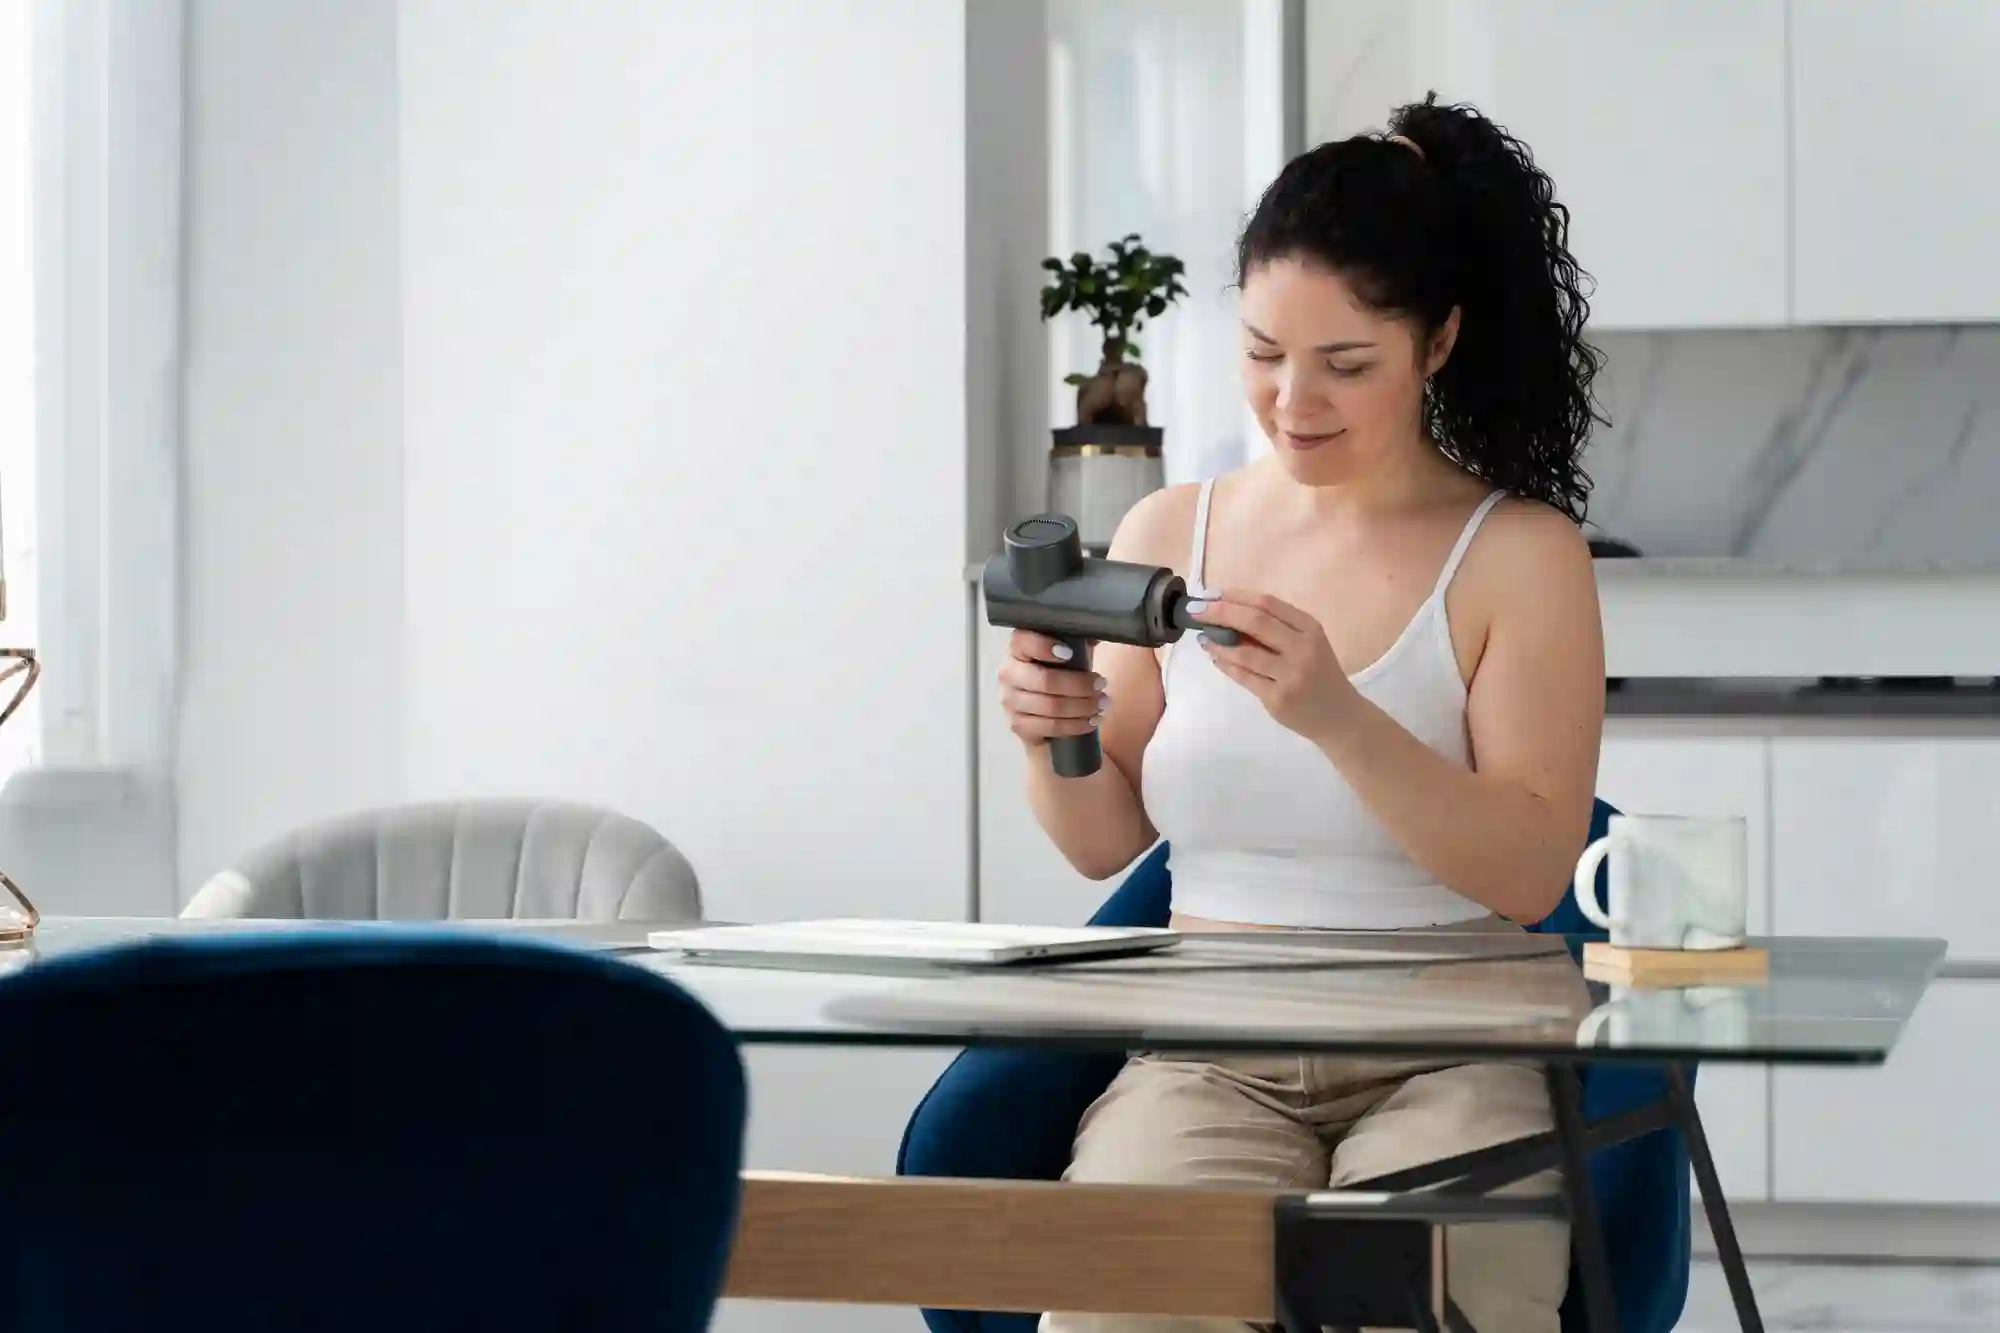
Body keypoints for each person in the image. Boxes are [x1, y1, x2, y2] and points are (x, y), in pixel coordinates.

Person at [996, 94, 1608, 1333]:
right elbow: (1101, 842)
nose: (1291, 401)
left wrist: (1337, 714)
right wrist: (1046, 729)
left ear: (1435, 345)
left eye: (1344, 365)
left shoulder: (1519, 555)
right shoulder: (1172, 532)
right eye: (1263, 353)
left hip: (1456, 1049)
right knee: (1117, 1305)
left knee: (1419, 1300)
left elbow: (1532, 868)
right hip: (1206, 1049)